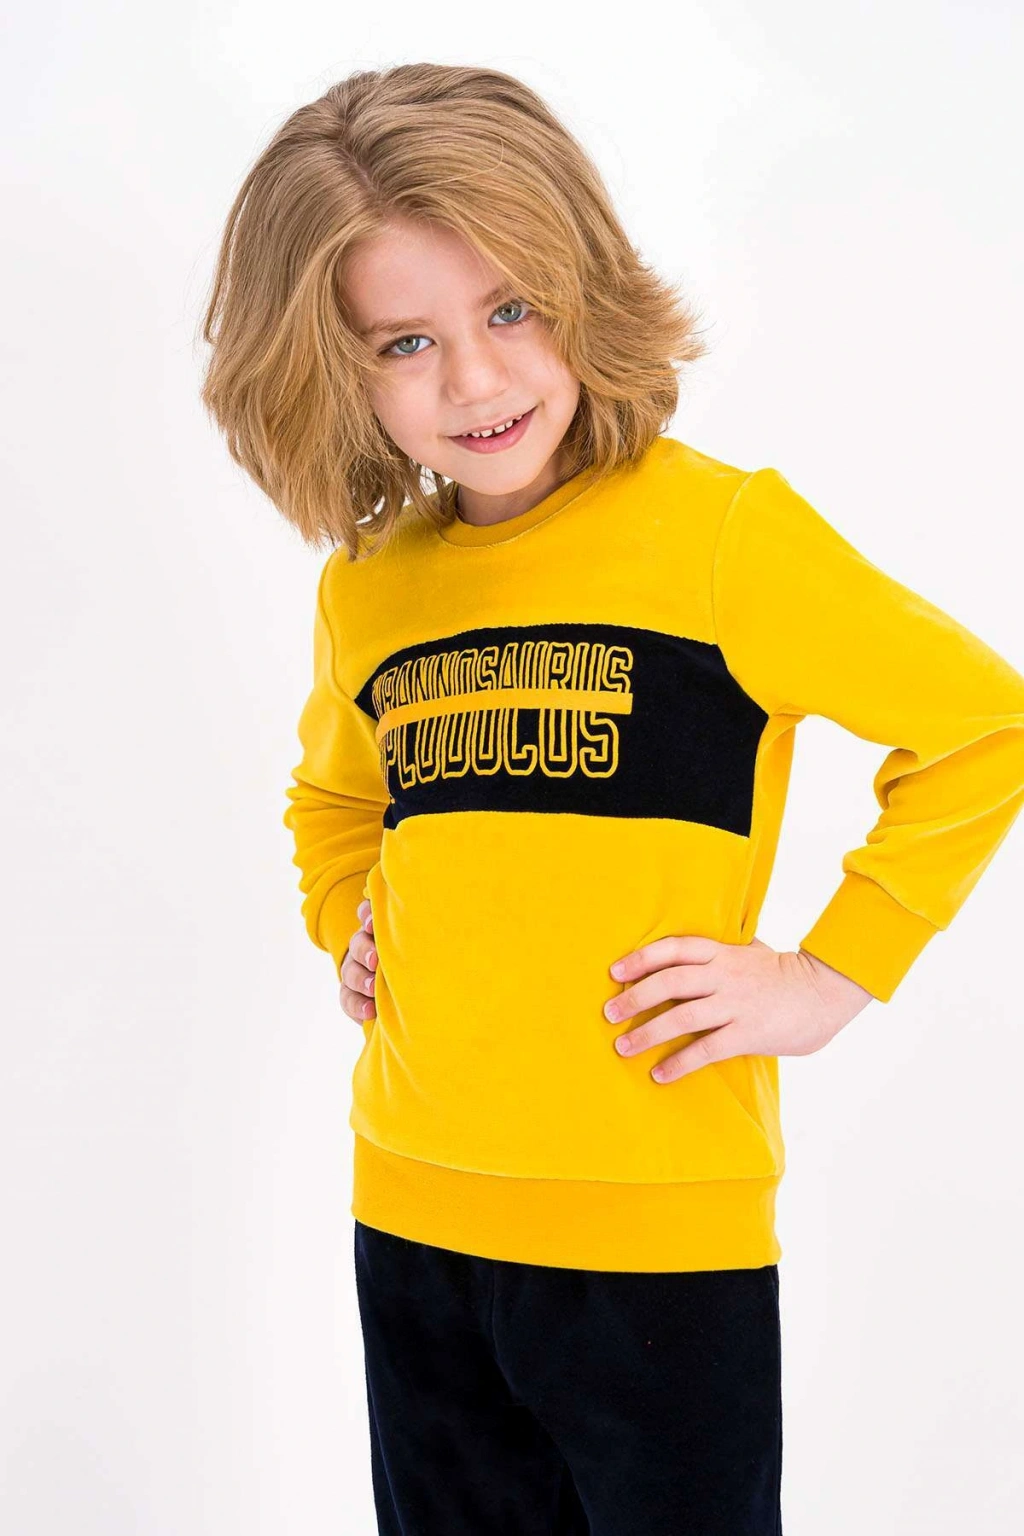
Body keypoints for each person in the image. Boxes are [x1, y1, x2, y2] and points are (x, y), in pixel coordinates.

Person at [198, 62, 1024, 1535]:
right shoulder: (370, 591)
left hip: (659, 1246)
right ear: (332, 370)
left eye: (512, 308)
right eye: (406, 342)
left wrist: (829, 976)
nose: (475, 381)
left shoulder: (721, 538)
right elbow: (333, 802)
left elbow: (982, 728)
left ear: (583, 281)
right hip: (411, 1216)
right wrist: (349, 926)